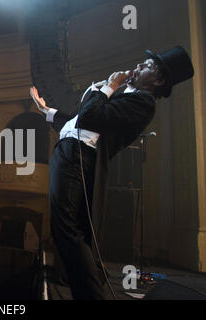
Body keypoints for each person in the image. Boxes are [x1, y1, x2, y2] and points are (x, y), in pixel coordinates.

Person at [30, 46, 194, 299]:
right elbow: (77, 121)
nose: (138, 66)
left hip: (77, 157)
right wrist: (47, 112)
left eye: (147, 66)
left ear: (159, 80)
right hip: (70, 151)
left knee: (67, 231)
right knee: (71, 231)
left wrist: (109, 86)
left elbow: (89, 118)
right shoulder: (128, 96)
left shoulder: (143, 102)